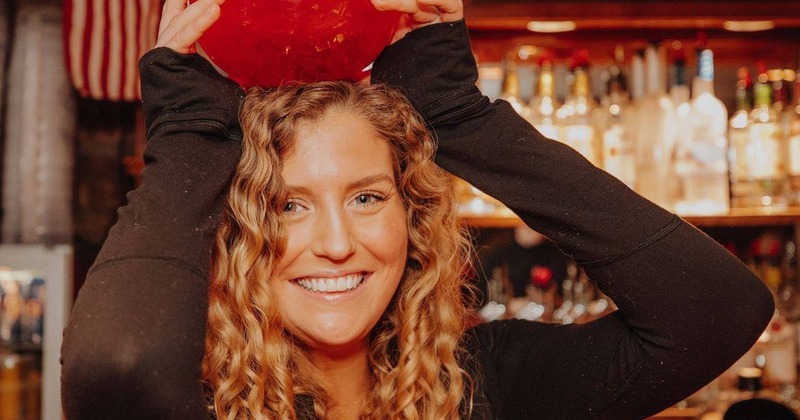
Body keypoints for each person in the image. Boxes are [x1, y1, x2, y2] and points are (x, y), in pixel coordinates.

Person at [60, 0, 775, 418]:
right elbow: (114, 365)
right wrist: (188, 138)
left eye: (367, 196)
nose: (336, 243)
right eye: (287, 206)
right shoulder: (196, 401)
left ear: (414, 215)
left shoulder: (481, 383)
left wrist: (459, 120)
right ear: (235, 230)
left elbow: (716, 310)